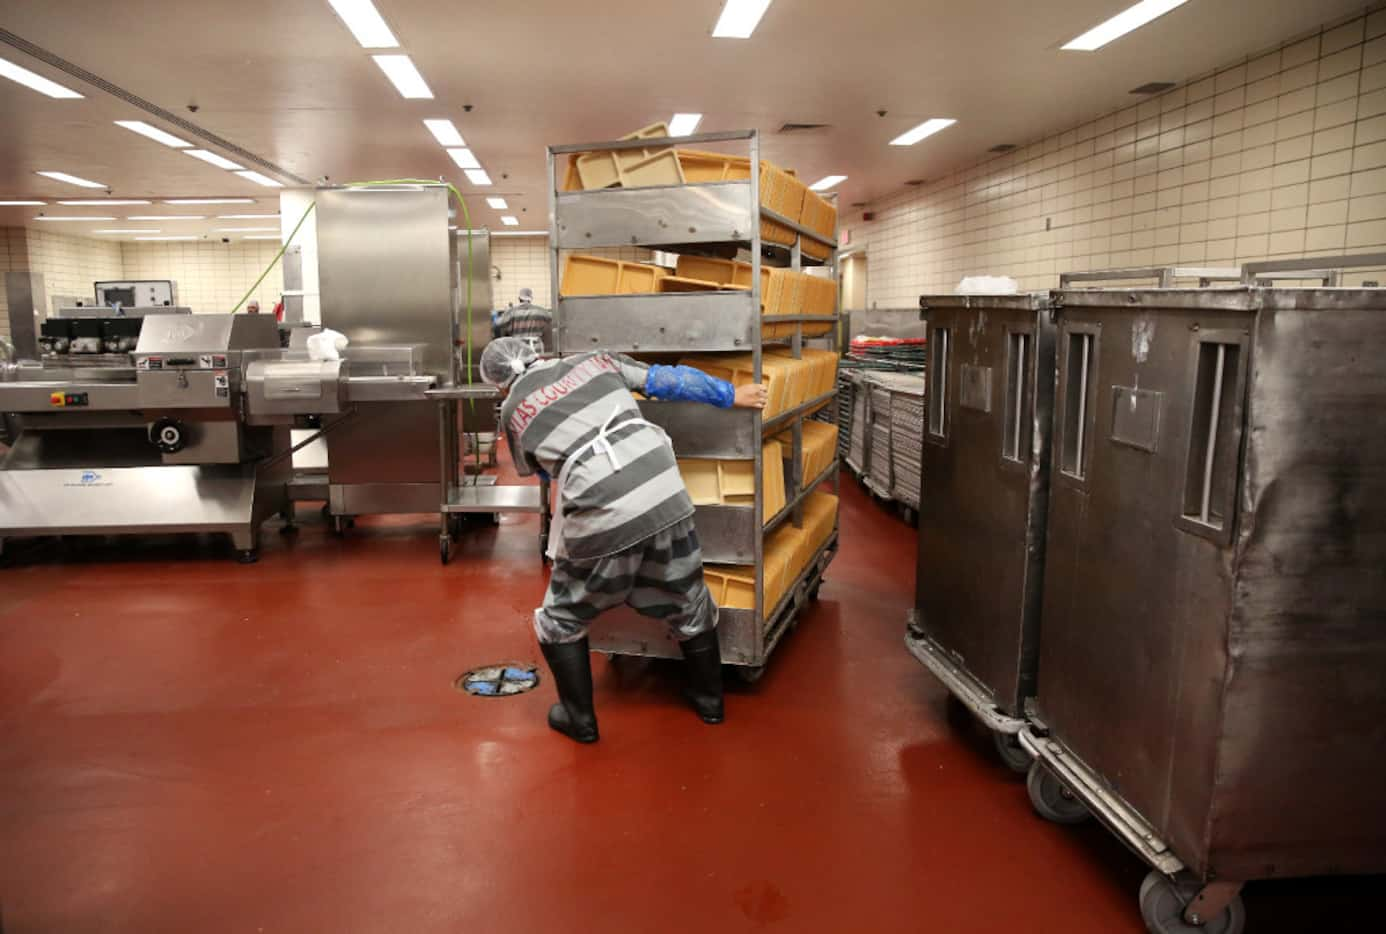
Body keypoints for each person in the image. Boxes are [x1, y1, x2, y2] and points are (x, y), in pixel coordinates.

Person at [480, 336, 768, 744]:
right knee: (689, 599)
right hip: (666, 489)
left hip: (602, 508)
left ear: (499, 384)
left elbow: (538, 471)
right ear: (537, 353)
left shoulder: (512, 409)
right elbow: (667, 380)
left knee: (560, 619)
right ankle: (710, 702)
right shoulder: (594, 359)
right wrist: (731, 394)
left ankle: (578, 719)